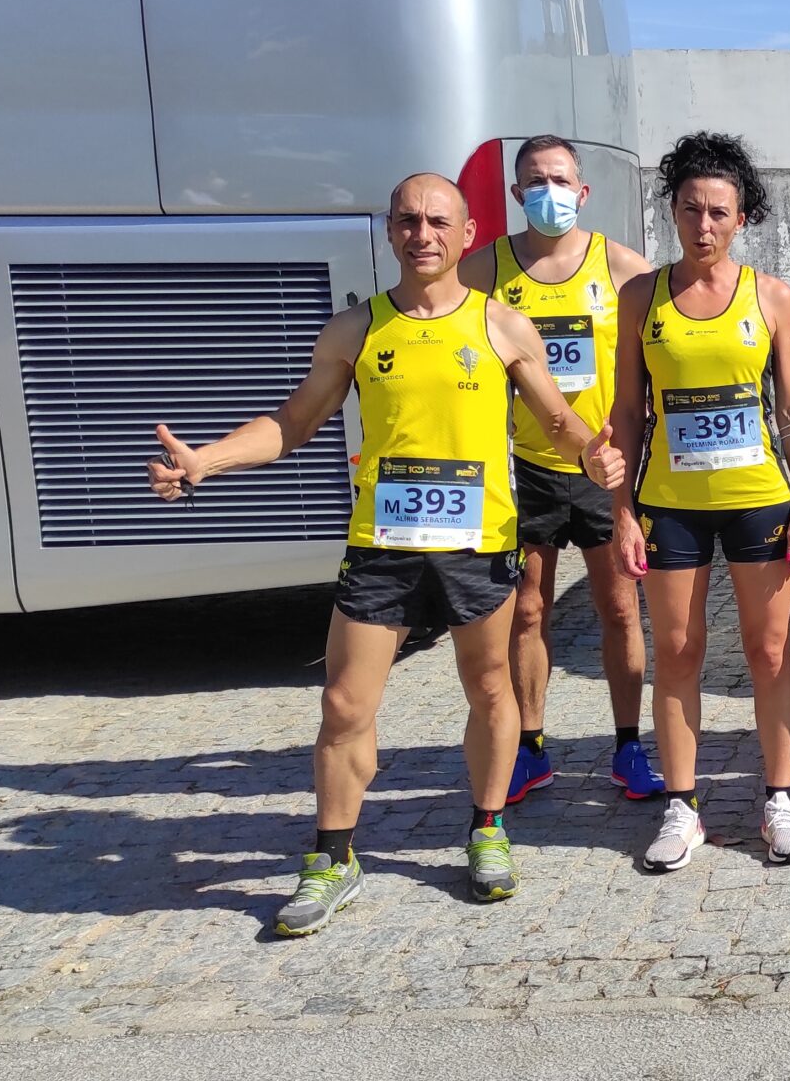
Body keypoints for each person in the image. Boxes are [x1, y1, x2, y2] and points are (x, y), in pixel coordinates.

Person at [146, 174, 625, 936]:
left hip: (476, 545)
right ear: (390, 231)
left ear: (467, 234)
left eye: (438, 221)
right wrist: (208, 460)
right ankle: (333, 856)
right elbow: (294, 422)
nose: (422, 234)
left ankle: (488, 828)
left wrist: (594, 457)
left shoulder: (503, 325)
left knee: (491, 690)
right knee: (343, 703)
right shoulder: (355, 329)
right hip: (383, 547)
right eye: (407, 221)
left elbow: (559, 420)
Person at [605, 132, 790, 872]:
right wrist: (623, 511)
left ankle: (780, 800)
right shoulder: (641, 297)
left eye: (718, 212)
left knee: (769, 650)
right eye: (691, 209)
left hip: (759, 498)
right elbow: (627, 411)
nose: (703, 225)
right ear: (672, 211)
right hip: (671, 502)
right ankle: (682, 806)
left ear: (741, 218)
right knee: (677, 651)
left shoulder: (772, 296)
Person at [458, 134, 660, 806]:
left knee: (620, 608)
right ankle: (531, 747)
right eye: (536, 181)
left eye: (561, 179)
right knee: (527, 612)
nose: (550, 191)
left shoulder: (623, 267)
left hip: (603, 465)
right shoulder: (483, 270)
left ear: (583, 191)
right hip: (525, 467)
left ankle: (628, 745)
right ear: (517, 194)